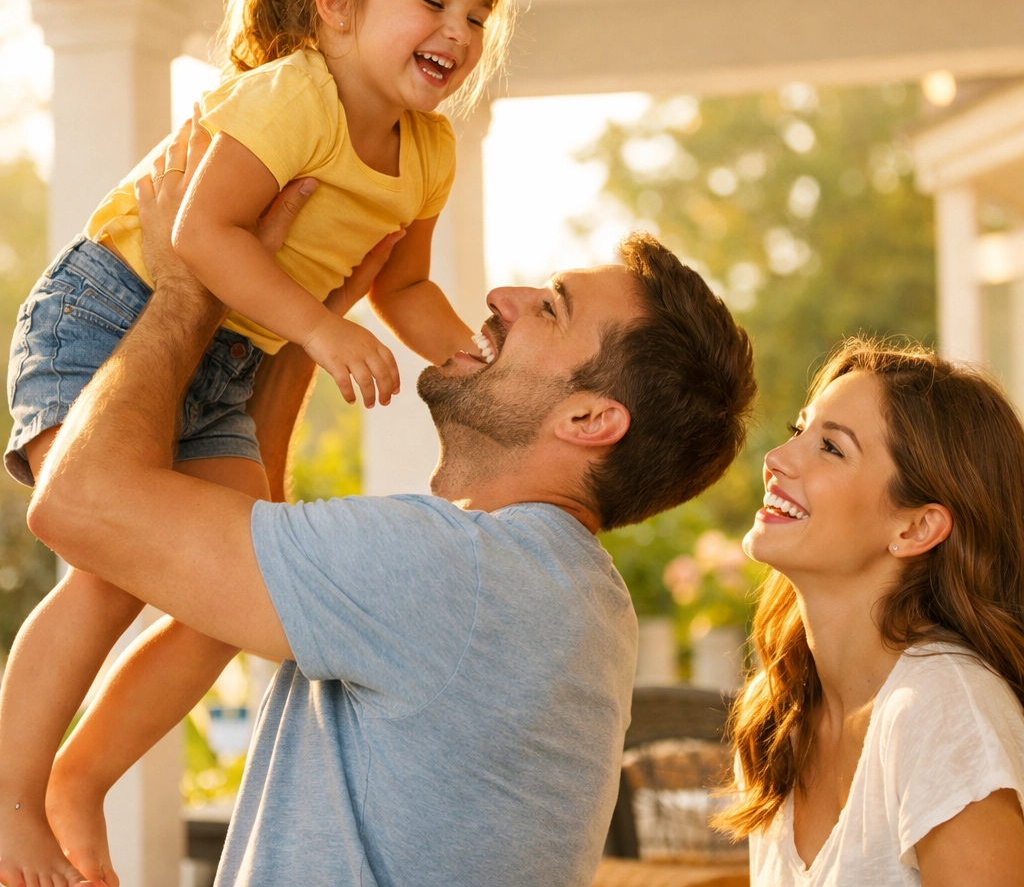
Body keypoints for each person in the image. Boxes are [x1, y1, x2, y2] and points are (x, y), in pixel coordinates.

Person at [22, 123, 756, 886]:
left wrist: (188, 287)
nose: (504, 297)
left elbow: (77, 502)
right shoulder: (548, 587)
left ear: (589, 420)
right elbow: (258, 539)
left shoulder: (460, 573)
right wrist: (297, 333)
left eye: (552, 309)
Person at [0, 0, 514, 884]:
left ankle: (79, 777)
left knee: (236, 592)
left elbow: (405, 284)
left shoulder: (430, 151)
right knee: (107, 577)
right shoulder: (291, 97)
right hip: (111, 319)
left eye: (477, 15)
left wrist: (470, 360)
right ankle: (10, 795)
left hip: (225, 362)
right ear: (337, 3)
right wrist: (322, 332)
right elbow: (200, 231)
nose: (459, 30)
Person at [716, 339, 1024, 886]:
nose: (777, 459)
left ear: (915, 528)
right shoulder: (781, 715)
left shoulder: (942, 710)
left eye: (831, 448)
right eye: (798, 431)